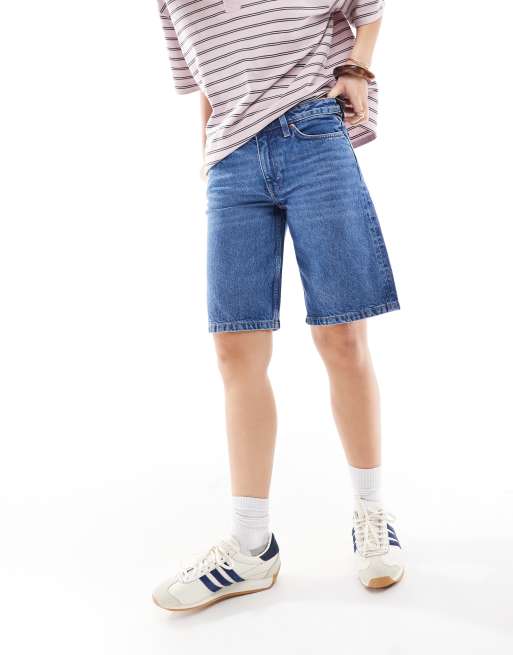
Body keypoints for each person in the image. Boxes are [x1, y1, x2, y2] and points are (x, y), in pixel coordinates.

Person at [152, 0, 405, 612]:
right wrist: (211, 158)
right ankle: (251, 547)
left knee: (341, 337)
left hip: (312, 135)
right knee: (234, 349)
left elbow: (368, 7)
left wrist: (357, 70)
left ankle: (371, 513)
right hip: (230, 160)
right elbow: (206, 80)